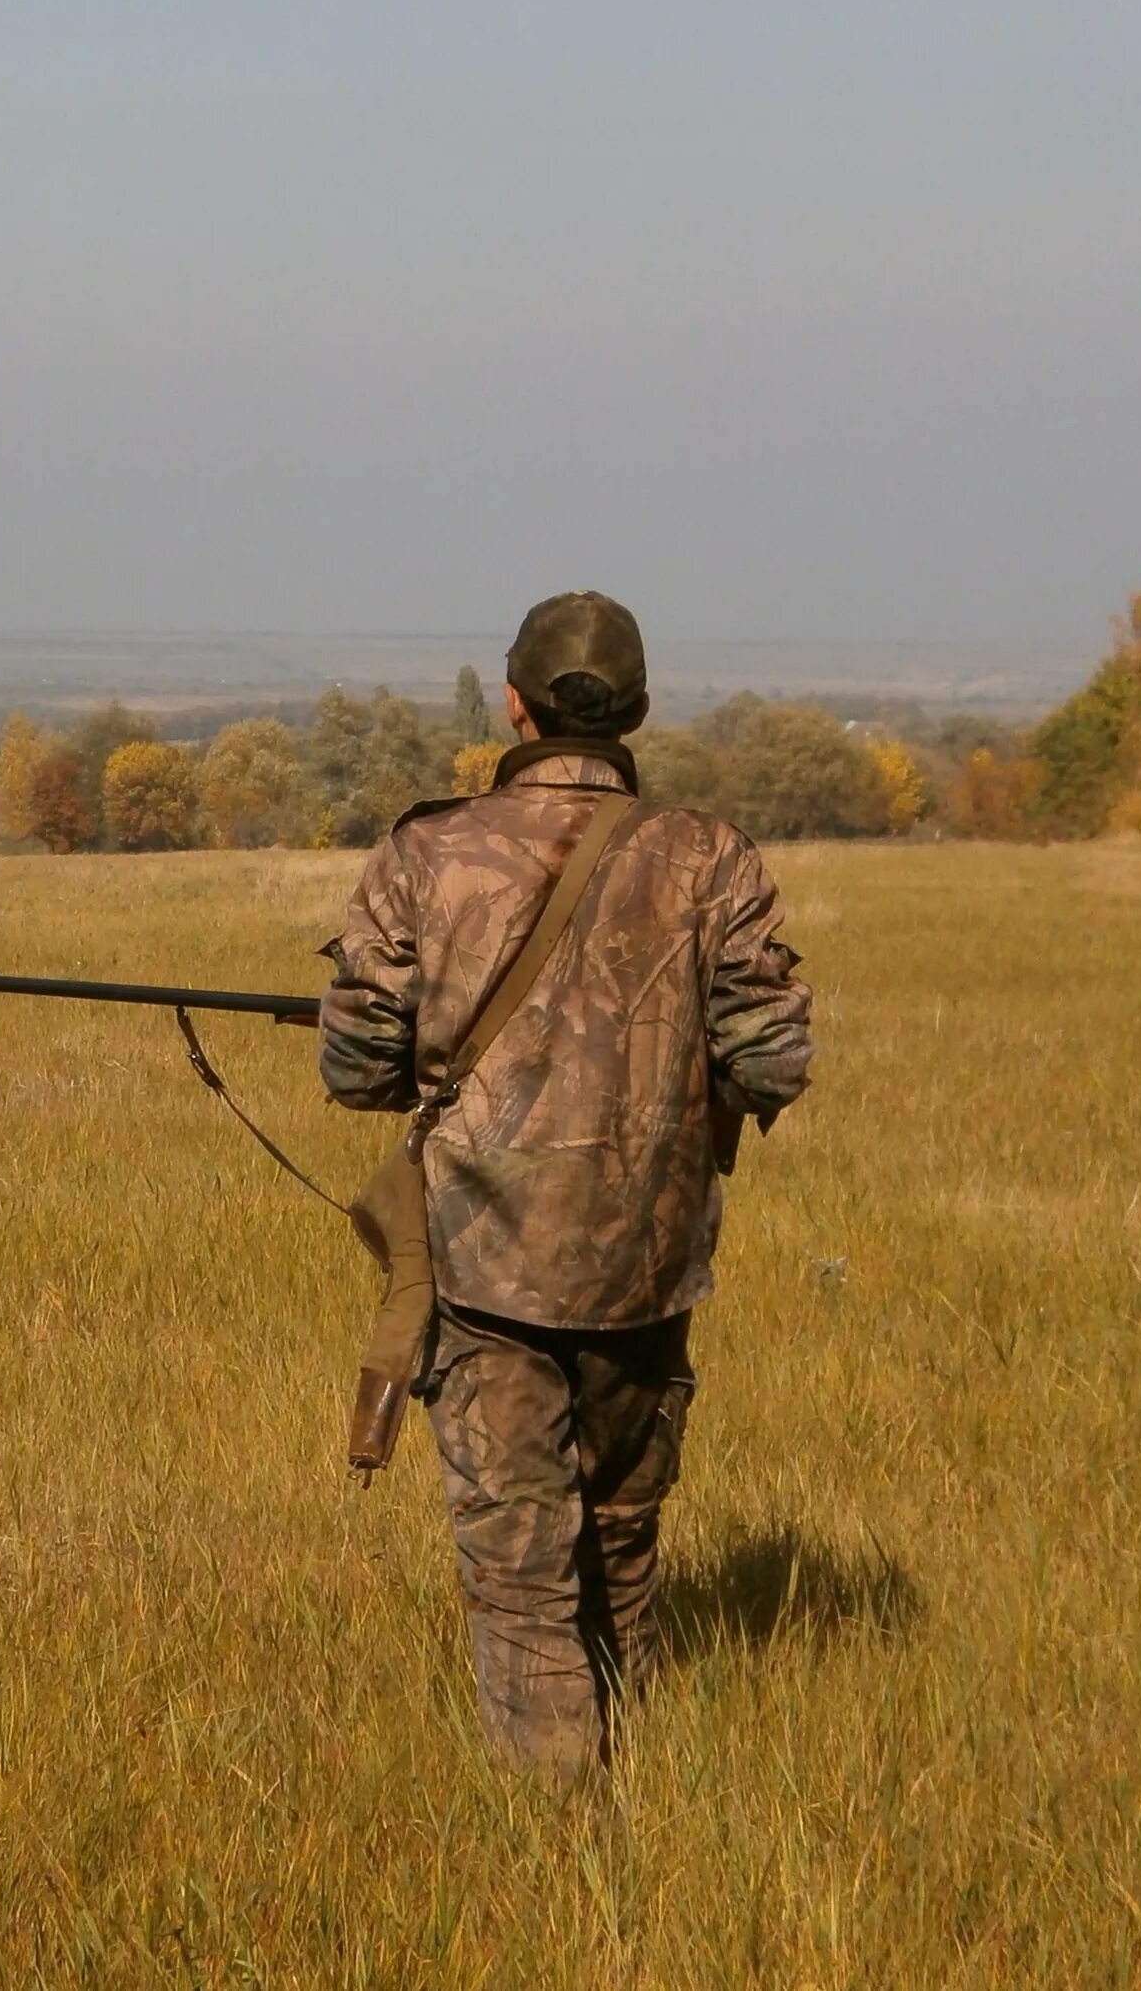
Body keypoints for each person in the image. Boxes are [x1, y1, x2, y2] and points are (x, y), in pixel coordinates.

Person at [317, 590, 813, 1778]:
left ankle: (559, 1853)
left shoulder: (425, 852)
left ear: (514, 702)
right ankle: (635, 1767)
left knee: (520, 1570)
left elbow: (354, 1065)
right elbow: (775, 1058)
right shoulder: (713, 855)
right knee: (624, 1535)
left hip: (484, 1268)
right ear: (635, 707)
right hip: (651, 1266)